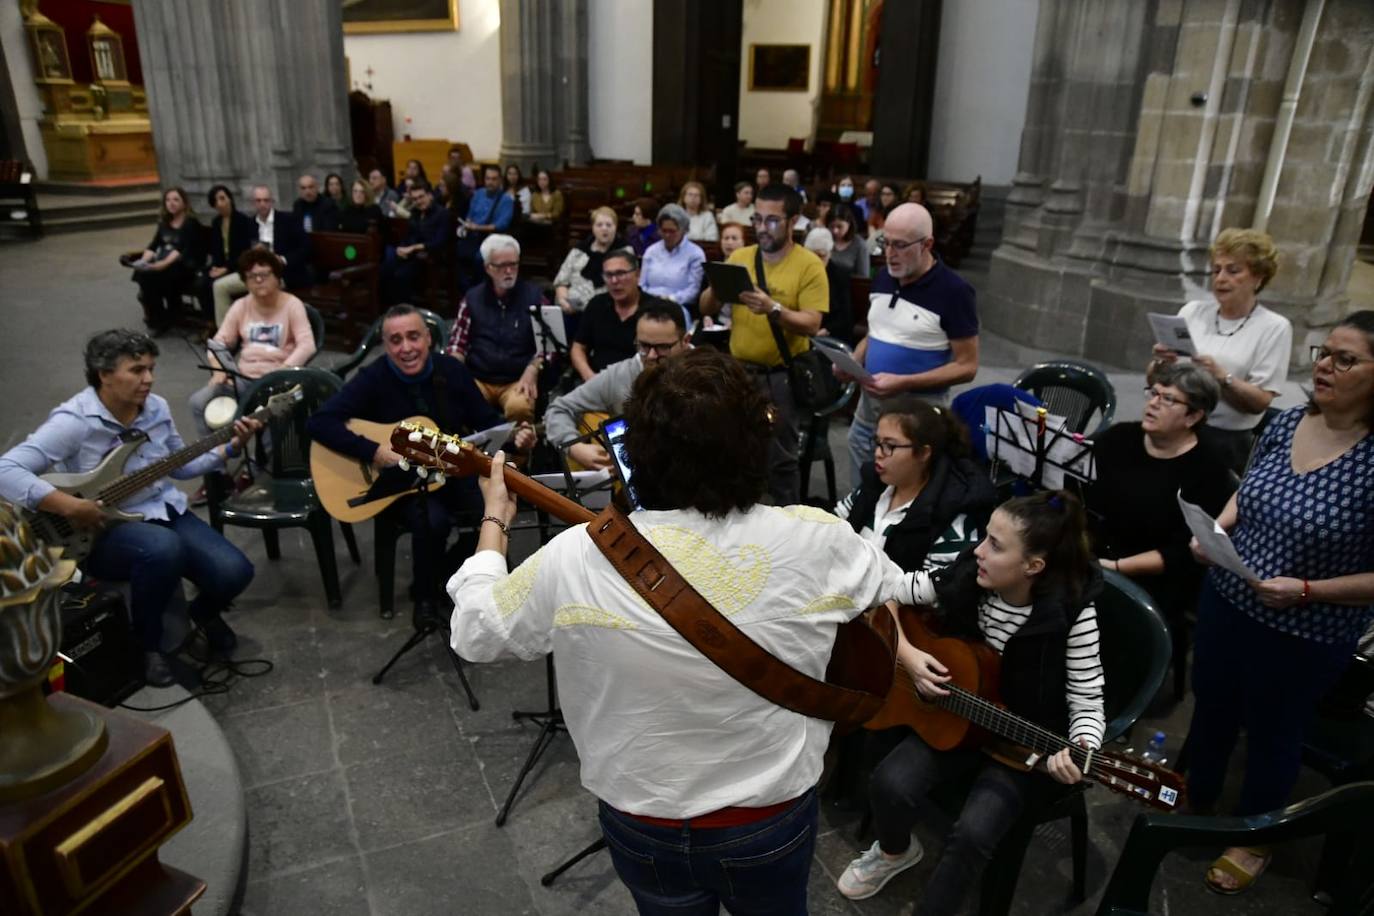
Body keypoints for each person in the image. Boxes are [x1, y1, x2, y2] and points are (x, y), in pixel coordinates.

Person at [449, 347, 919, 915]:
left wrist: (495, 518)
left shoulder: (574, 555)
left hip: (643, 817)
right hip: (768, 815)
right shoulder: (819, 539)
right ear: (756, 444)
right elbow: (891, 585)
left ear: (636, 453)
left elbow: (476, 633)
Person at [836, 491, 1104, 913]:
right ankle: (895, 851)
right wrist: (908, 655)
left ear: (1033, 566)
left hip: (1018, 741)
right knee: (889, 782)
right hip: (957, 718)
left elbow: (1088, 700)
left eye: (996, 546)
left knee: (974, 834)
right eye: (985, 537)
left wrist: (1082, 747)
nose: (977, 550)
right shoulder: (968, 573)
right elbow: (887, 590)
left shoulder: (1073, 614)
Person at [1183, 311, 1374, 895]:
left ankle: (1256, 833)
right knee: (1212, 705)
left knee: (1273, 731)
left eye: (1346, 359)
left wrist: (1308, 589)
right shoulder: (1288, 419)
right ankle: (1195, 800)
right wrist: (1214, 530)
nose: (1324, 365)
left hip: (1306, 628)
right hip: (1230, 597)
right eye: (1325, 352)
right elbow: (1250, 487)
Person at [0, 330, 260, 686]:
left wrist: (230, 448)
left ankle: (201, 613)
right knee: (162, 549)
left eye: (151, 368)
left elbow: (179, 466)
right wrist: (70, 507)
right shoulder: (74, 421)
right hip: (99, 529)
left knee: (235, 572)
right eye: (137, 370)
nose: (149, 379)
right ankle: (148, 647)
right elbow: (5, 470)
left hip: (160, 508)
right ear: (104, 374)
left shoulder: (157, 408)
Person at [307, 306, 534, 623]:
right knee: (433, 522)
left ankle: (446, 579)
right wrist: (374, 451)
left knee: (493, 512)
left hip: (452, 474)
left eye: (413, 337)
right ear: (386, 346)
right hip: (402, 484)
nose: (406, 348)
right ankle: (425, 603)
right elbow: (319, 423)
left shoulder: (450, 372)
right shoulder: (373, 378)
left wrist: (516, 438)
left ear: (428, 339)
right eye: (396, 340)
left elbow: (487, 423)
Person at [1085, 364, 1235, 650]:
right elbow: (1077, 488)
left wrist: (1115, 567)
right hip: (1094, 552)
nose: (1153, 403)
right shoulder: (1119, 437)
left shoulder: (1208, 469)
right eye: (1154, 393)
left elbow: (1182, 553)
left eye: (1168, 399)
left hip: (1153, 577)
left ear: (1193, 416)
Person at [699, 184, 828, 505]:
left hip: (780, 375)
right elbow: (705, 308)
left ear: (793, 221)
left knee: (781, 460)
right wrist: (716, 288)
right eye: (757, 218)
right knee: (733, 453)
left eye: (772, 220)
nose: (761, 227)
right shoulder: (741, 257)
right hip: (739, 372)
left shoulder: (809, 265)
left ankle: (789, 527)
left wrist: (774, 309)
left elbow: (813, 323)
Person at [839, 203, 979, 492]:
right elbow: (876, 331)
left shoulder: (954, 292)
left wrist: (904, 382)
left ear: (927, 244)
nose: (889, 254)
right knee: (861, 494)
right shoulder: (883, 277)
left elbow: (967, 367)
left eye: (900, 245)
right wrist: (853, 360)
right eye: (885, 242)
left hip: (916, 419)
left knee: (901, 499)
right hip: (869, 411)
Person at [1149, 228, 1291, 473]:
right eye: (1216, 270)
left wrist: (1221, 377)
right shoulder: (1192, 311)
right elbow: (1154, 379)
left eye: (1233, 271)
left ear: (1258, 277)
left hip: (1225, 440)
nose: (1220, 278)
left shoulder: (1274, 327)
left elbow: (1260, 403)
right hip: (1175, 425)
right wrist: (1161, 363)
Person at [836, 398, 996, 571]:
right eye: (877, 443)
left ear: (923, 453)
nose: (878, 453)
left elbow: (935, 591)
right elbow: (831, 526)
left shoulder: (950, 520)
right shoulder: (875, 483)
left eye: (889, 445)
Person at [188, 249, 317, 437]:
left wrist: (282, 370)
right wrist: (218, 370)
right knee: (198, 403)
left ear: (276, 277)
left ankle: (263, 463)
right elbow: (218, 342)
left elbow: (307, 345)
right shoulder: (241, 306)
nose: (258, 280)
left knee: (269, 420)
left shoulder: (292, 305)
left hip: (278, 382)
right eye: (251, 276)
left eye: (264, 275)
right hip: (243, 379)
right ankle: (217, 459)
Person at [547, 300, 689, 469]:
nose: (651, 356)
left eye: (662, 348)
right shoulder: (618, 376)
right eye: (643, 345)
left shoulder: (708, 374)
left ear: (685, 341)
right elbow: (559, 409)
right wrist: (573, 446)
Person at [446, 234, 543, 422]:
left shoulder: (534, 297)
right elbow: (457, 344)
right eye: (501, 266)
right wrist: (456, 371)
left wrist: (533, 369)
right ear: (488, 268)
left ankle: (517, 451)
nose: (509, 271)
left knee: (519, 408)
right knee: (454, 401)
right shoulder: (472, 298)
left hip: (516, 379)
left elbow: (547, 347)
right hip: (479, 377)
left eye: (513, 264)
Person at [570, 251, 674, 381]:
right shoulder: (597, 304)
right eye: (608, 275)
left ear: (637, 274)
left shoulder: (657, 310)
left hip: (640, 384)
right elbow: (578, 347)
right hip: (597, 380)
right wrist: (590, 377)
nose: (614, 281)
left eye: (620, 273)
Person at [132, 187, 203, 334]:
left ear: (184, 203)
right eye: (168, 200)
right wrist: (144, 261)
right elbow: (154, 245)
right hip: (166, 263)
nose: (172, 203)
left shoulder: (191, 223)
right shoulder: (164, 223)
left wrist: (162, 264)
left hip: (184, 264)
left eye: (176, 199)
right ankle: (159, 319)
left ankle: (165, 317)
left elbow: (182, 249)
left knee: (153, 277)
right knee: (145, 275)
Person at [381, 183, 451, 305]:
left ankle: (406, 309)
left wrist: (413, 248)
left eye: (421, 197)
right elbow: (408, 236)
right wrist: (402, 248)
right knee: (386, 266)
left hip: (433, 256)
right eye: (415, 199)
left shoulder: (442, 214)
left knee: (401, 275)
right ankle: (388, 309)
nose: (419, 201)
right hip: (413, 254)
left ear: (430, 196)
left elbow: (439, 242)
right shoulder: (415, 213)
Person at [639, 203, 706, 322]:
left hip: (678, 306)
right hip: (649, 304)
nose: (667, 235)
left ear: (684, 230)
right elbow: (642, 285)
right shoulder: (651, 251)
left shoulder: (695, 254)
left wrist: (670, 299)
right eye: (663, 231)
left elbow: (693, 290)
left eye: (672, 231)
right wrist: (650, 299)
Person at [552, 206, 624, 315]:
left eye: (609, 225)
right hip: (573, 310)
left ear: (616, 227)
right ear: (593, 228)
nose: (604, 228)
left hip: (606, 312)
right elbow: (561, 282)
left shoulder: (624, 252)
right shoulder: (579, 251)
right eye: (599, 225)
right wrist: (564, 301)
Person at [202, 184, 255, 322]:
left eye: (222, 198)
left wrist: (226, 269)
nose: (220, 203)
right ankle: (209, 322)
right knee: (202, 283)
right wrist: (215, 266)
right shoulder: (216, 222)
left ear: (230, 199)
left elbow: (245, 251)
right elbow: (216, 249)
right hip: (221, 265)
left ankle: (226, 325)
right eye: (216, 201)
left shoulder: (242, 220)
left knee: (214, 284)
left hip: (237, 265)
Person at [458, 164, 515, 291]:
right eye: (488, 179)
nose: (490, 182)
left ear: (500, 180)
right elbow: (470, 215)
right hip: (473, 236)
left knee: (480, 259)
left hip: (493, 239)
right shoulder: (478, 194)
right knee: (457, 253)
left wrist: (477, 227)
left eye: (494, 179)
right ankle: (466, 291)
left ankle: (481, 290)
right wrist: (466, 224)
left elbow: (501, 225)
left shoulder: (506, 200)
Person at [804, 227, 854, 345]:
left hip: (829, 334)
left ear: (830, 253)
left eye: (821, 256)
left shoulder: (839, 275)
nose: (816, 261)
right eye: (811, 255)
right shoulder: (800, 271)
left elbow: (845, 316)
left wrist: (825, 331)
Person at [828, 201, 871, 280]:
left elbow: (863, 277)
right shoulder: (825, 239)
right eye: (831, 226)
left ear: (849, 224)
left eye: (839, 226)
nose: (835, 231)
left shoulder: (859, 244)